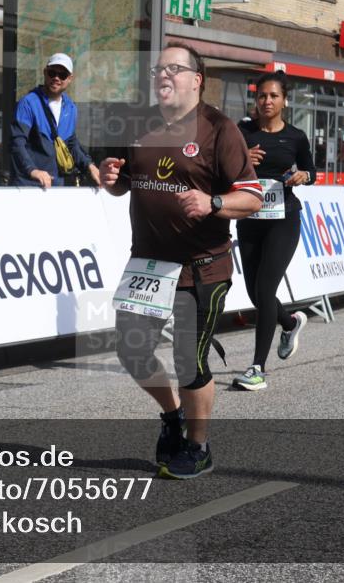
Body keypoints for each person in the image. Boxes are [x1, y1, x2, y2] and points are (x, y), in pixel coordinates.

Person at [100, 43, 261, 479]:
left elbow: (253, 196)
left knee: (189, 361)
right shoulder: (139, 123)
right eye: (159, 69)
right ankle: (172, 418)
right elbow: (124, 181)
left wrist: (213, 202)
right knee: (133, 352)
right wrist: (111, 180)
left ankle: (198, 445)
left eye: (174, 68)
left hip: (200, 265)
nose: (163, 76)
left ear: (197, 79)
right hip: (148, 267)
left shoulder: (218, 129)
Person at [231, 70, 314, 392]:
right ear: (256, 99)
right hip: (249, 217)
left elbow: (312, 171)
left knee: (265, 289)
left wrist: (303, 176)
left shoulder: (295, 136)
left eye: (274, 96)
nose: (267, 101)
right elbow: (223, 169)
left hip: (284, 218)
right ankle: (290, 322)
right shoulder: (242, 132)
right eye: (262, 95)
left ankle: (256, 368)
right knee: (255, 293)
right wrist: (242, 159)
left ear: (285, 101)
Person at [10, 53, 100, 188]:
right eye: (52, 73)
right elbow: (16, 142)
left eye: (62, 75)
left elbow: (71, 144)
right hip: (27, 185)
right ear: (45, 73)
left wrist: (90, 166)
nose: (56, 78)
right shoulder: (28, 103)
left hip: (55, 185)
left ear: (70, 79)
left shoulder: (70, 108)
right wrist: (32, 170)